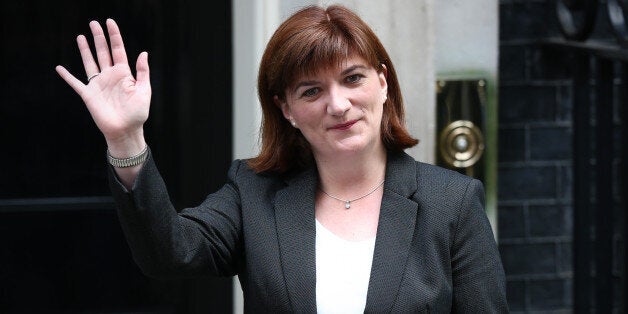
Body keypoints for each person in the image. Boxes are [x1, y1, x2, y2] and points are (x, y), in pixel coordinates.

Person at [56, 4, 508, 313]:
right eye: (311, 91)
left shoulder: (451, 202)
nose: (338, 104)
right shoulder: (253, 192)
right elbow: (170, 256)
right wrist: (127, 139)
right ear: (286, 109)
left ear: (383, 82)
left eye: (353, 78)